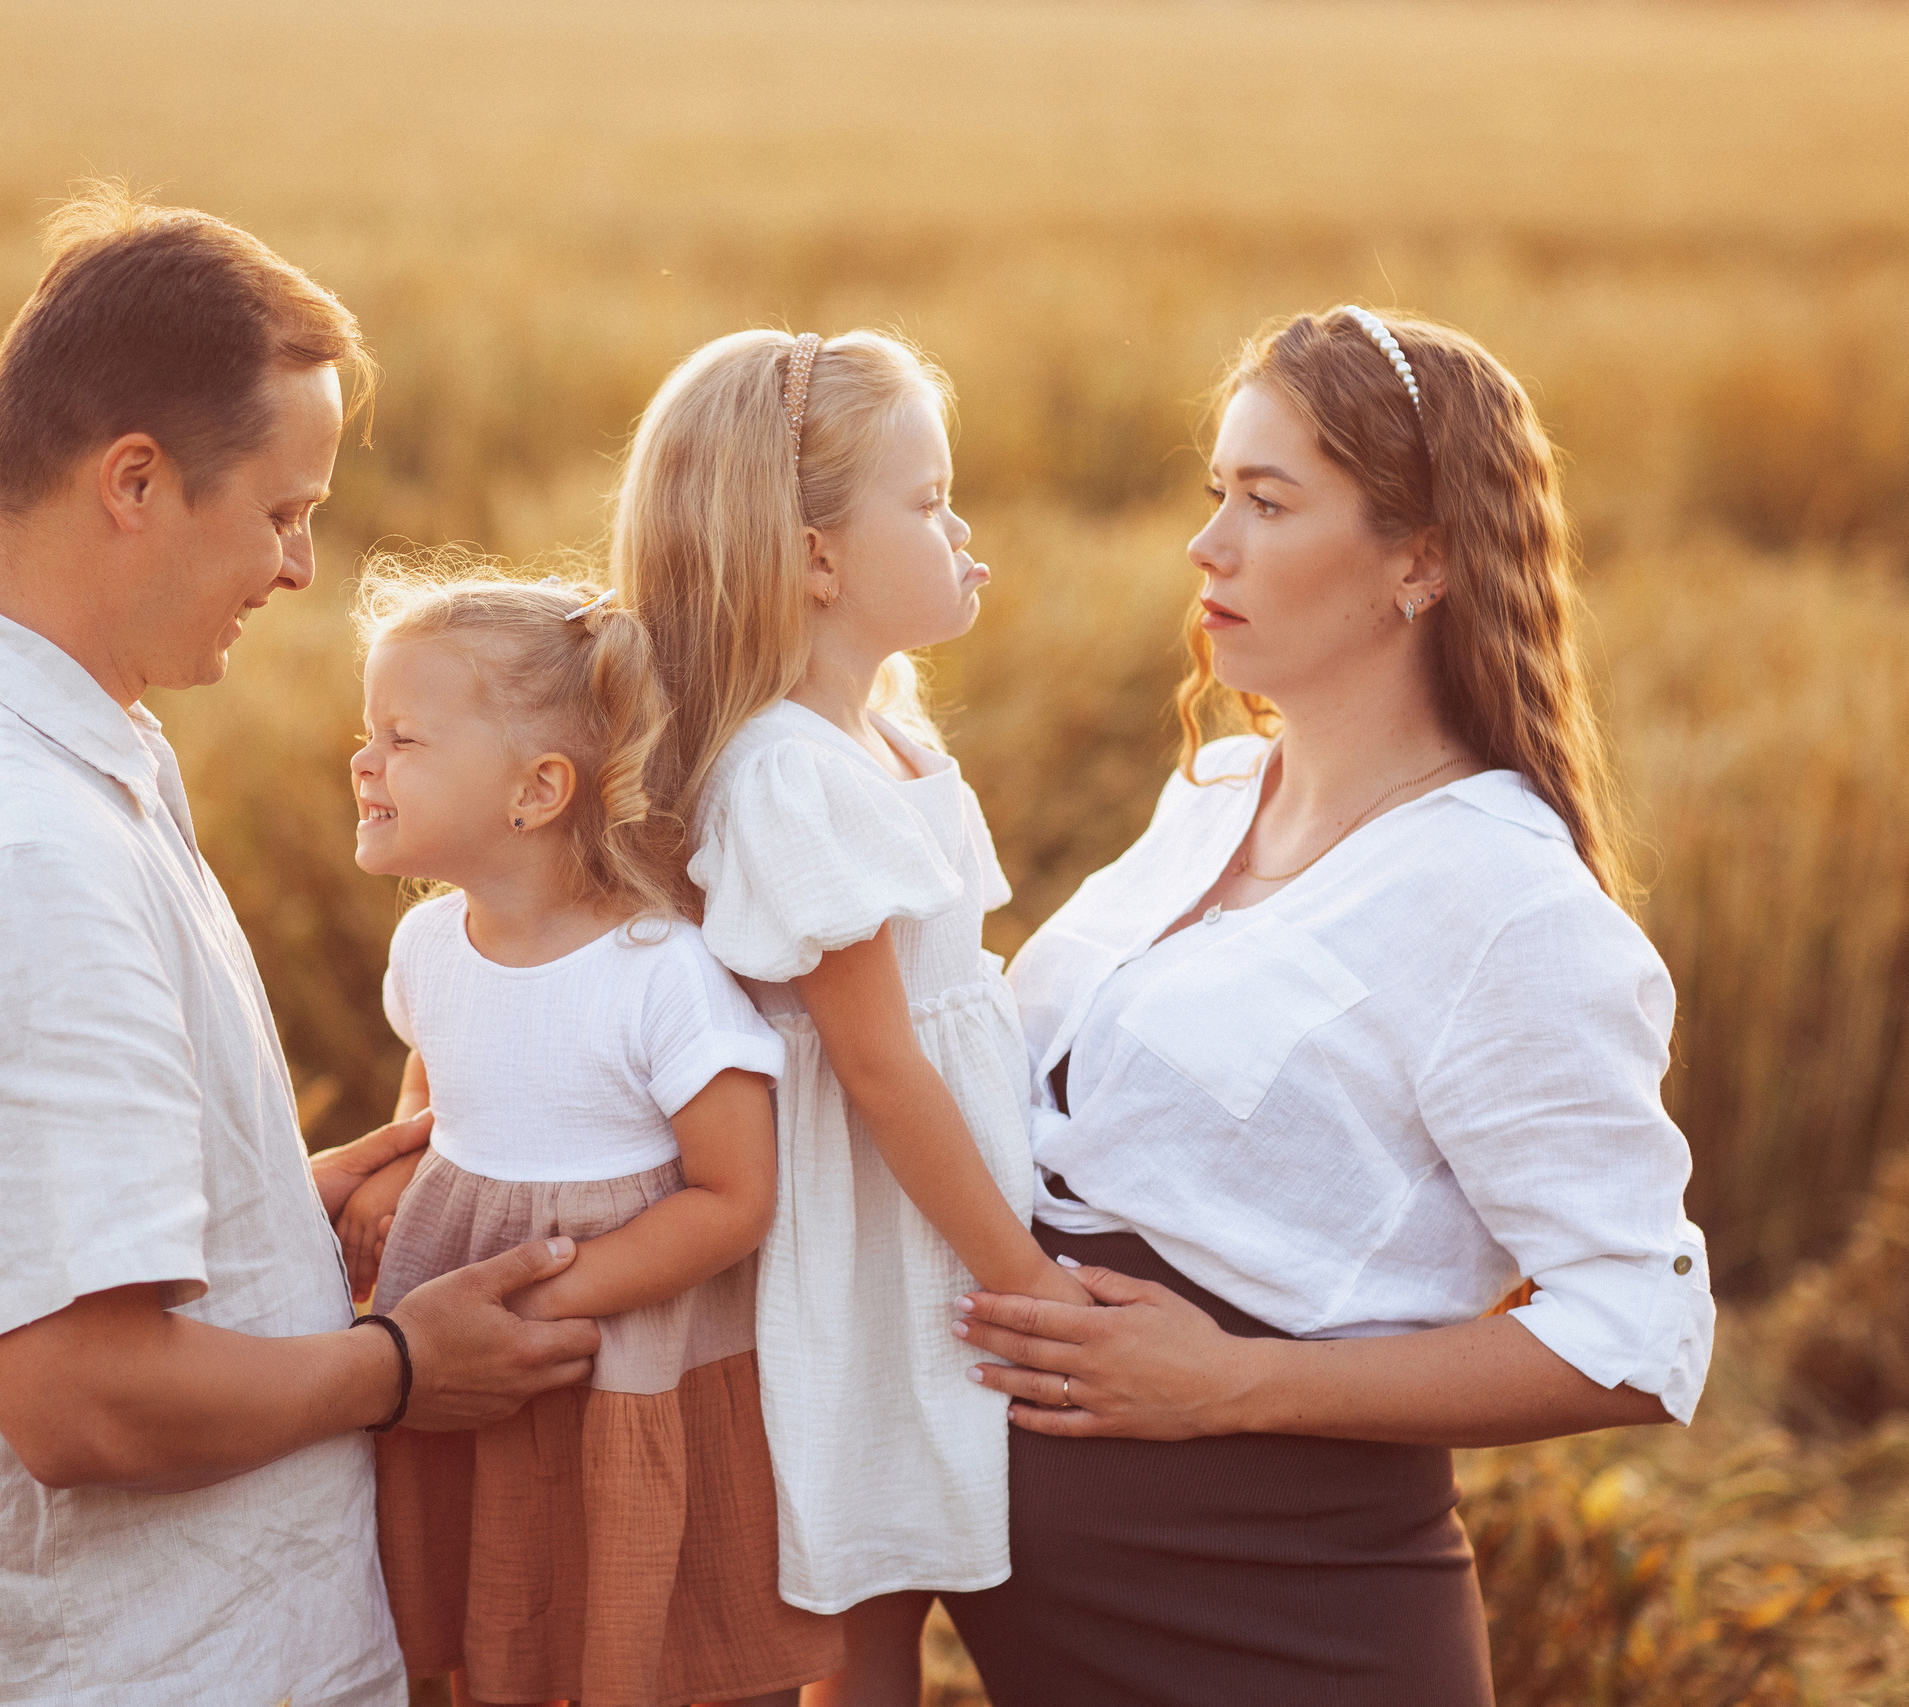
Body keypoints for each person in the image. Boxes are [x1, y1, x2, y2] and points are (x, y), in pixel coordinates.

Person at [0, 186, 600, 1707]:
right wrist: (405, 1363)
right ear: (137, 482)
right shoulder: (19, 851)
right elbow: (82, 1397)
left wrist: (267, 1219)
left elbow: (16, 1234)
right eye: (286, 512)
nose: (302, 569)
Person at [942, 307, 1717, 1706]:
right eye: (1214, 494)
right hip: (1048, 1631)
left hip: (1280, 1628)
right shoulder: (1216, 796)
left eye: (1268, 501)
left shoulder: (1507, 902)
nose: (1208, 544)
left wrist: (1232, 1383)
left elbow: (1636, 1330)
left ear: (1421, 560)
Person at [612, 329, 1083, 1707]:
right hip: (888, 1236)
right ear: (816, 556)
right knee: (864, 1600)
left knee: (900, 1574)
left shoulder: (883, 732)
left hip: (932, 1217)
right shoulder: (788, 774)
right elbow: (878, 1066)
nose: (964, 531)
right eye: (929, 503)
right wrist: (1030, 1286)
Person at [335, 567, 844, 1707]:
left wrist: (553, 1299)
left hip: (621, 1356)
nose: (363, 762)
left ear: (536, 790)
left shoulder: (657, 973)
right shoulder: (427, 947)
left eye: (403, 738)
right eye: (367, 733)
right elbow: (448, 1099)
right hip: (470, 1344)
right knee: (497, 1615)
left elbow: (732, 1195)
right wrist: (403, 1164)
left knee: (653, 1634)